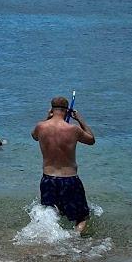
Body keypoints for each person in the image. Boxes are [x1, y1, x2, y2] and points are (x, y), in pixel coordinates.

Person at [32, 96, 96, 235]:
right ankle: (73, 239)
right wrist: (80, 119)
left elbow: (34, 136)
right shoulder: (73, 129)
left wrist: (47, 118)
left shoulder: (40, 126)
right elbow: (91, 140)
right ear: (68, 111)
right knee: (82, 217)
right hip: (70, 180)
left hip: (48, 179)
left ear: (51, 110)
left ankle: (50, 238)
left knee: (50, 214)